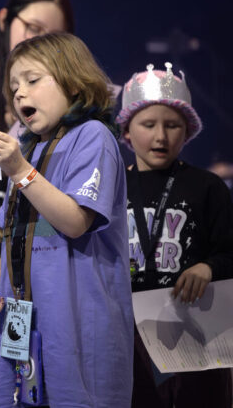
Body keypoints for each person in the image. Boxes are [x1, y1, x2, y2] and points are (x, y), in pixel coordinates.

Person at [0, 32, 134, 407]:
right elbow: (16, 236)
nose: (20, 94)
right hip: (21, 325)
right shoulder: (30, 150)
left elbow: (75, 221)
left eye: (32, 80)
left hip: (76, 328)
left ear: (73, 82)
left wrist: (19, 169)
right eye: (14, 87)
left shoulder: (92, 137)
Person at [0, 0, 76, 408]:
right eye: (31, 28)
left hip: (44, 280)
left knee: (42, 385)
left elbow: (73, 217)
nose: (38, 40)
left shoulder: (74, 134)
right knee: (8, 389)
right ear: (4, 21)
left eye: (52, 35)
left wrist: (19, 167)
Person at [116, 63, 233, 407]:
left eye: (172, 126)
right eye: (148, 125)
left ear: (188, 131)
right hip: (127, 334)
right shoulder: (112, 186)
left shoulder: (208, 187)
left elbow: (230, 252)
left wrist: (208, 268)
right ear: (126, 131)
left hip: (195, 331)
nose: (160, 136)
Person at [0, 0, 74, 133]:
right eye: (34, 28)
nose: (41, 45)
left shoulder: (73, 105)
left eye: (53, 38)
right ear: (4, 20)